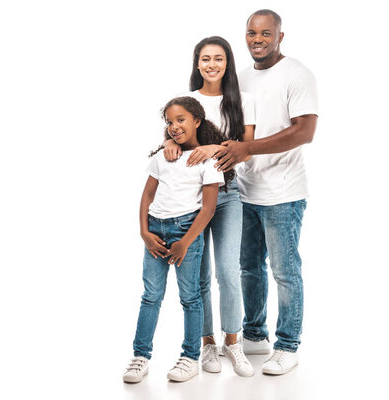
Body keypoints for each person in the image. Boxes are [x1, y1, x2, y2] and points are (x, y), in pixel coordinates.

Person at [214, 9, 318, 375]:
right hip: (245, 192)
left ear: (280, 36)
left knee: (285, 272)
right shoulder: (240, 80)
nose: (257, 39)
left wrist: (248, 150)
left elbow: (305, 131)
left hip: (284, 194)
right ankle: (255, 336)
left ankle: (287, 345)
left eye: (265, 33)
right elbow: (233, 131)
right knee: (249, 269)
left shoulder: (297, 74)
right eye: (251, 33)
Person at [163, 36, 255, 377]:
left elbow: (245, 147)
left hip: (228, 193)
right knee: (199, 275)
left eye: (218, 58)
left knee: (228, 271)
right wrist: (168, 142)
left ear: (227, 63)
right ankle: (207, 344)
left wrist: (215, 148)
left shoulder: (242, 100)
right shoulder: (189, 101)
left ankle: (234, 342)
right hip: (190, 198)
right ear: (197, 63)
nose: (211, 64)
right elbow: (175, 132)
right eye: (205, 59)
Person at [123, 96, 228, 384]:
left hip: (187, 233)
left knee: (190, 297)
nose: (174, 126)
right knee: (151, 296)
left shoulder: (208, 161)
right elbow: (146, 196)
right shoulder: (162, 156)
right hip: (156, 231)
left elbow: (207, 209)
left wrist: (185, 242)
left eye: (181, 119)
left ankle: (190, 357)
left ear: (197, 121)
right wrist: (145, 233)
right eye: (169, 121)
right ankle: (140, 356)